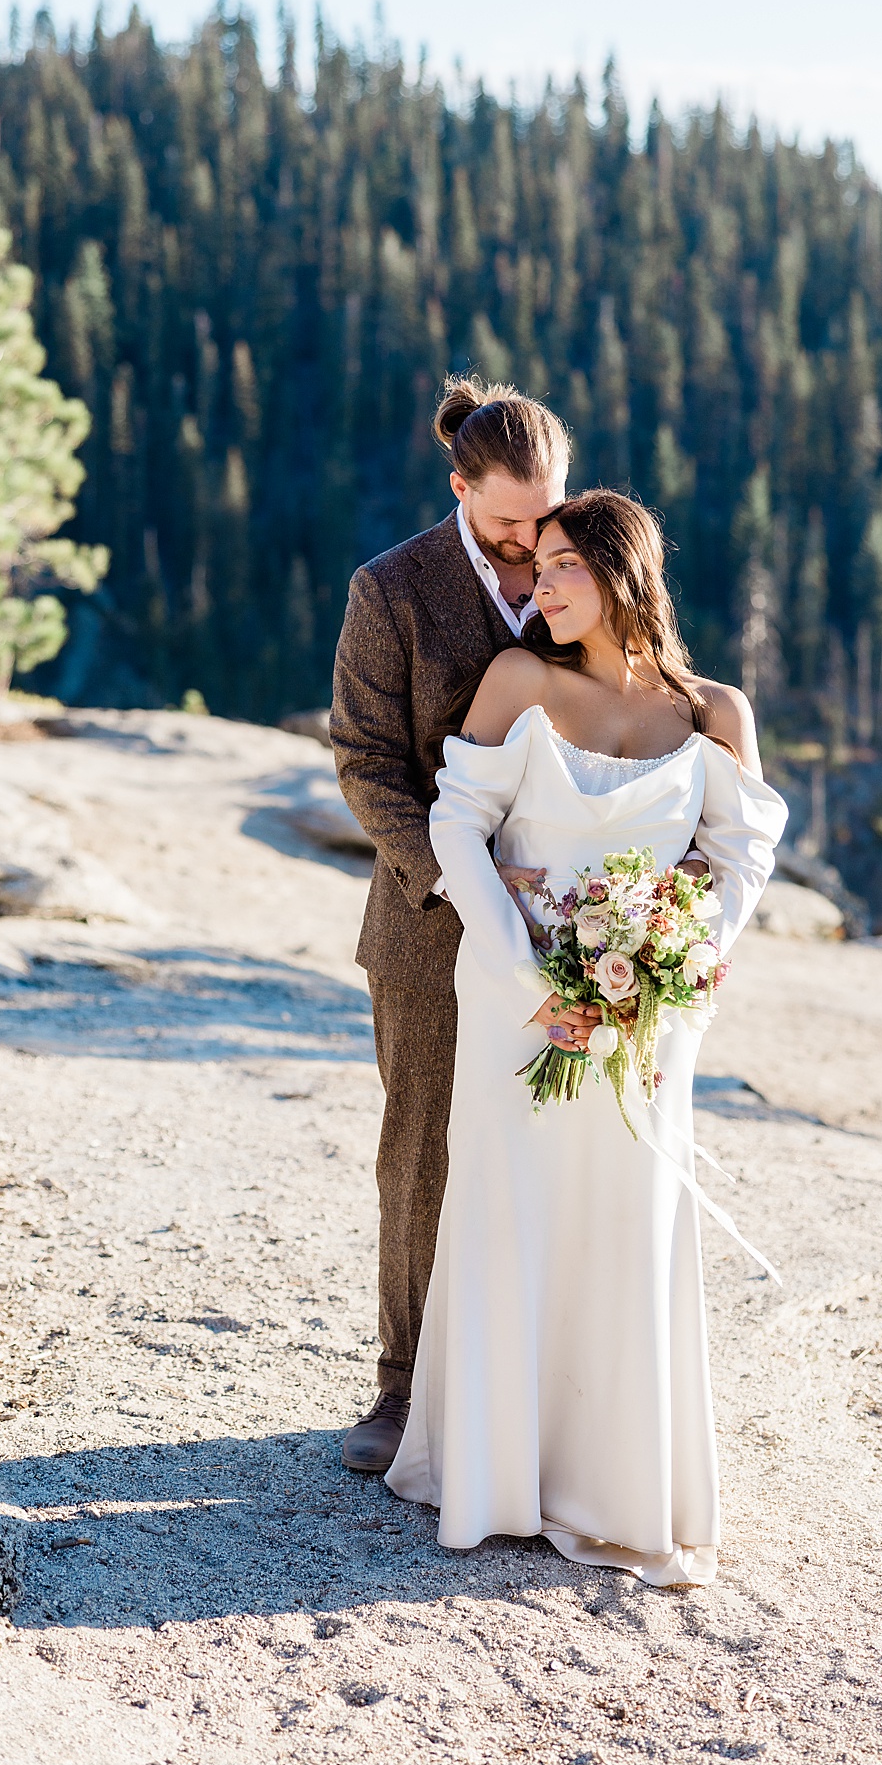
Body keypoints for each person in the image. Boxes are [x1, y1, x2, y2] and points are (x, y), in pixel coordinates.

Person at [383, 488, 785, 1586]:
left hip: (646, 1017)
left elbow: (738, 863)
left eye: (562, 565)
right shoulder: (520, 682)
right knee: (513, 1210)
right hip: (515, 1002)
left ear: (622, 574)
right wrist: (528, 979)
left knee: (627, 1222)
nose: (539, 586)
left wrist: (661, 971)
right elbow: (455, 824)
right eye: (536, 567)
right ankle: (493, 1473)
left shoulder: (713, 716)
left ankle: (613, 1483)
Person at [330, 377, 578, 1471]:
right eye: (511, 520)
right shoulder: (390, 589)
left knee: (545, 1149)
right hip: (426, 927)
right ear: (460, 488)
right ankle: (402, 1385)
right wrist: (460, 879)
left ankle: (525, 1386)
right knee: (422, 1154)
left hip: (571, 921)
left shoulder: (585, 564)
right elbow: (364, 763)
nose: (534, 543)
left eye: (549, 513)